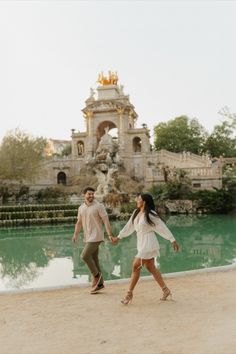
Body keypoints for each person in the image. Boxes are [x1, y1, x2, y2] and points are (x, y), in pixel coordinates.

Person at [111, 193, 179, 305]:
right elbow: (129, 227)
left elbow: (162, 227)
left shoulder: (151, 214)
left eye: (138, 199)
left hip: (149, 243)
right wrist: (118, 237)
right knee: (151, 268)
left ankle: (129, 294)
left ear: (144, 202)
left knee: (135, 266)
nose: (136, 200)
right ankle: (165, 290)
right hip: (141, 242)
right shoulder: (136, 212)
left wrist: (172, 239)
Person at [72, 187, 114, 294]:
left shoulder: (99, 206)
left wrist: (109, 234)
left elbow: (106, 220)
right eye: (89, 194)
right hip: (87, 237)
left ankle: (96, 276)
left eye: (92, 194)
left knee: (84, 255)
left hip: (97, 236)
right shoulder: (81, 208)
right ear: (84, 195)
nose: (91, 196)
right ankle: (100, 285)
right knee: (95, 260)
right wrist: (75, 234)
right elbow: (79, 223)